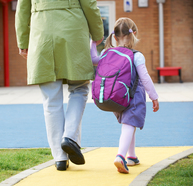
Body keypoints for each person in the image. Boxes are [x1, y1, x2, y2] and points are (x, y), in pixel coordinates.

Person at [15, 0, 104, 171]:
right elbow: (89, 4)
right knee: (79, 88)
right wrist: (97, 32)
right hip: (72, 31)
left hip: (42, 33)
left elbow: (22, 10)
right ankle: (70, 136)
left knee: (51, 98)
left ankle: (60, 158)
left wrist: (23, 41)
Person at [90, 17, 159, 174]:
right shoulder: (136, 55)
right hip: (133, 97)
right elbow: (145, 78)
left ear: (114, 37)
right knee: (129, 125)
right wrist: (154, 96)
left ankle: (131, 156)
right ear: (134, 34)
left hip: (117, 96)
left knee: (129, 124)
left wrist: (93, 43)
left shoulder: (106, 52)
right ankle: (120, 156)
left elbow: (93, 59)